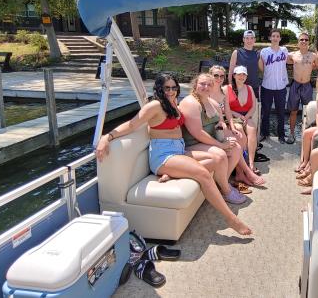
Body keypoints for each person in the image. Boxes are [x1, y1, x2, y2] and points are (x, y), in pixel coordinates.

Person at [95, 73, 252, 235]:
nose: (171, 91)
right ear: (159, 89)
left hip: (179, 150)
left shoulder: (173, 103)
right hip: (163, 156)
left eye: (174, 87)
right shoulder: (154, 106)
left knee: (218, 159)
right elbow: (132, 124)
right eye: (166, 88)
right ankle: (231, 219)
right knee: (204, 174)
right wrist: (107, 137)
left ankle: (173, 174)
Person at [180, 74, 265, 189]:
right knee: (223, 151)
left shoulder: (212, 103)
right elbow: (198, 133)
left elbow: (221, 123)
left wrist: (225, 130)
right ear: (195, 85)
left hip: (209, 140)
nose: (206, 87)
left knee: (236, 147)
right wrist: (221, 145)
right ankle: (243, 175)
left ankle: (222, 183)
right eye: (202, 84)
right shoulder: (190, 103)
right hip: (193, 143)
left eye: (209, 84)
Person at [208, 65, 254, 193]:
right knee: (235, 141)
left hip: (222, 123)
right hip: (212, 126)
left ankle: (239, 173)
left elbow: (227, 111)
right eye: (216, 75)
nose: (219, 78)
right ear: (210, 75)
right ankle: (243, 173)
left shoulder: (223, 92)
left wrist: (233, 127)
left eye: (221, 76)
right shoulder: (207, 91)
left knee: (239, 135)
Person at [227, 66, 263, 175]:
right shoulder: (227, 88)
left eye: (244, 74)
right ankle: (241, 164)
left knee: (252, 129)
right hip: (233, 116)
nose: (241, 76)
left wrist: (246, 117)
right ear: (234, 76)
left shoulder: (249, 88)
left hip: (246, 116)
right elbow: (225, 108)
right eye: (239, 74)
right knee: (241, 132)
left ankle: (250, 163)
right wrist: (238, 115)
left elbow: (253, 107)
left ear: (246, 76)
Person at [258, 28, 289, 143]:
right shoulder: (264, 52)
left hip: (281, 87)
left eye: (277, 36)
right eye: (273, 36)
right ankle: (264, 133)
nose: (275, 38)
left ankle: (281, 135)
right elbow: (261, 67)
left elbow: (292, 60)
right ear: (270, 38)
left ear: (280, 38)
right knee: (265, 112)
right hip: (267, 86)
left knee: (281, 112)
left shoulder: (284, 50)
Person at [285, 32, 316, 144]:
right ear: (298, 42)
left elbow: (316, 65)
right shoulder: (292, 55)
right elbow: (283, 59)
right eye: (301, 39)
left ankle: (306, 135)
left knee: (308, 111)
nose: (303, 41)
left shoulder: (313, 56)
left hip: (307, 86)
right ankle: (292, 134)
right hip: (295, 85)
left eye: (306, 40)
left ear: (309, 42)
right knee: (293, 111)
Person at [229, 30, 260, 99]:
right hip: (240, 86)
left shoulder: (258, 53)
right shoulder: (237, 52)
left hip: (254, 87)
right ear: (243, 39)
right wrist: (231, 85)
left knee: (254, 108)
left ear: (254, 40)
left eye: (252, 38)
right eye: (247, 38)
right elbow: (231, 71)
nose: (249, 40)